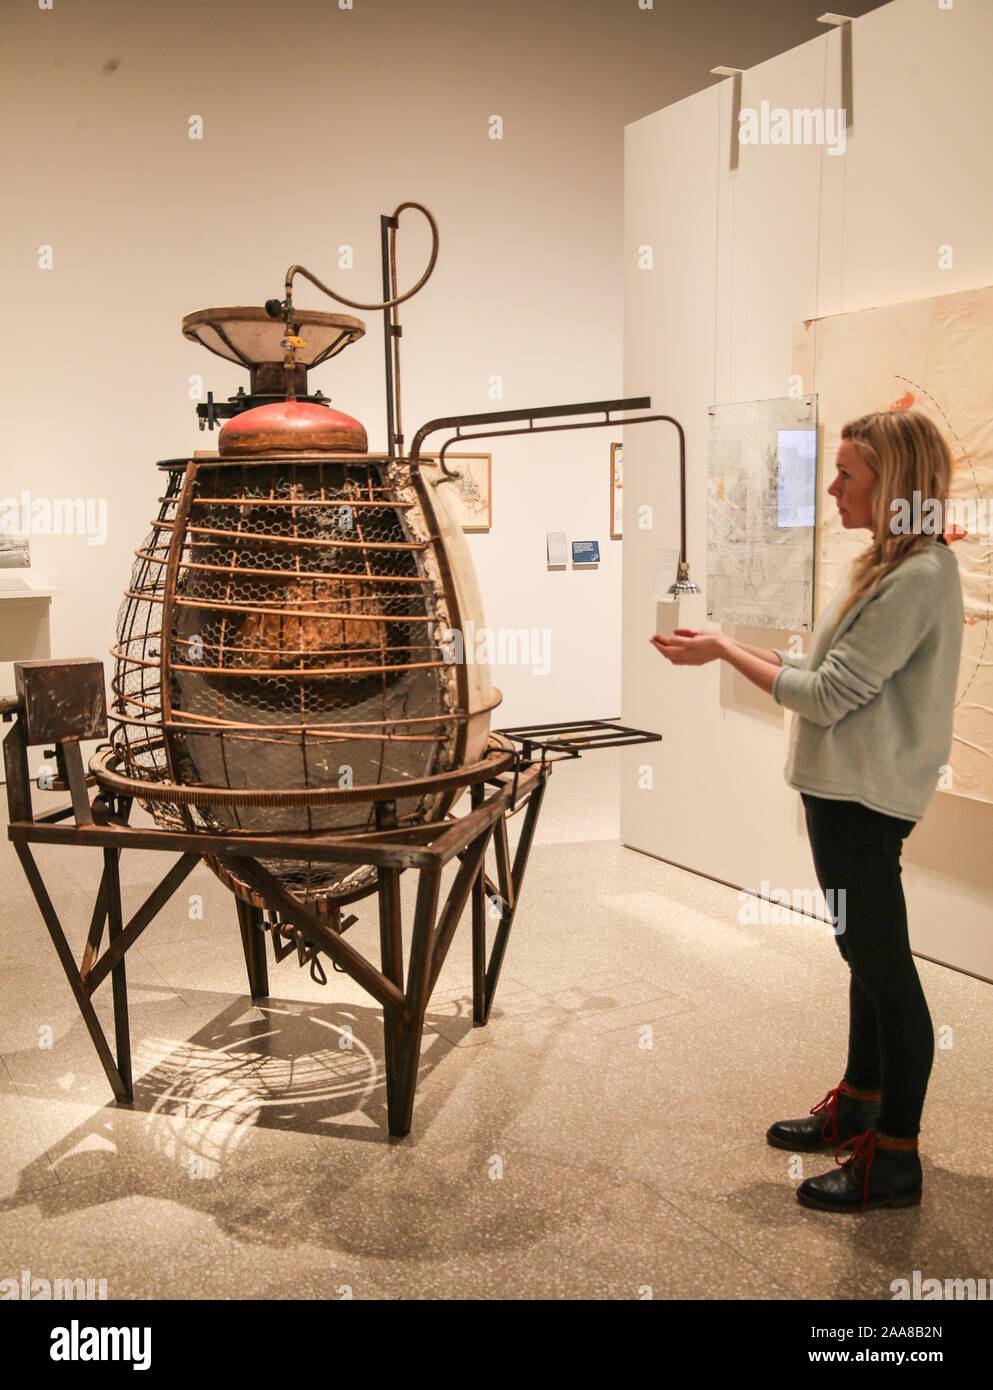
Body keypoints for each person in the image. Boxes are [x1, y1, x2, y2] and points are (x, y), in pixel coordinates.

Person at [650, 409, 964, 1212]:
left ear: (891, 483)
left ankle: (893, 1159)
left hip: (863, 800)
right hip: (842, 793)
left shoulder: (918, 576)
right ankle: (858, 1106)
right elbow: (823, 666)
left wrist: (724, 652)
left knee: (884, 970)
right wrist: (728, 645)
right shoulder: (886, 566)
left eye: (846, 474)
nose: (831, 489)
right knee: (863, 957)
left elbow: (825, 696)